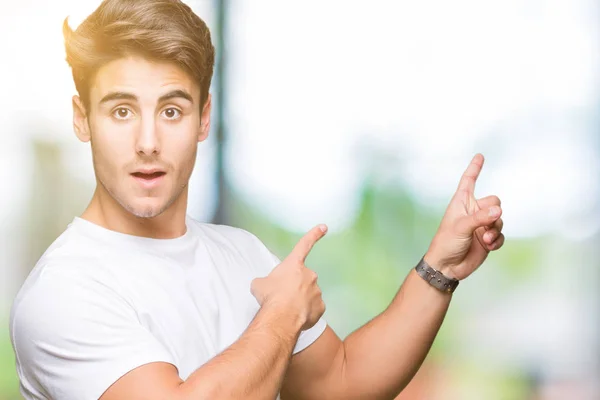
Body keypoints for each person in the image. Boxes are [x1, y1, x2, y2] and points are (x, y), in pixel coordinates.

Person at [9, 0, 505, 399]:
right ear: (81, 119)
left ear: (203, 119)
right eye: (121, 111)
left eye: (172, 110)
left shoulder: (240, 254)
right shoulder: (64, 291)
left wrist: (441, 269)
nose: (147, 141)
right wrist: (283, 314)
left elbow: (344, 382)